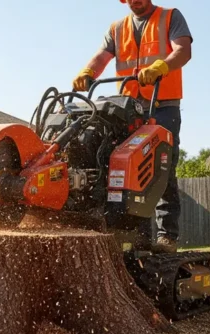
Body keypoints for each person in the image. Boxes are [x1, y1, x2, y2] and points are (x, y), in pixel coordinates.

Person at [72, 0, 193, 254]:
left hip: (162, 106)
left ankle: (166, 237)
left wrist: (161, 66)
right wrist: (88, 72)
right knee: (121, 170)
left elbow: (183, 50)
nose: (136, 1)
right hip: (127, 110)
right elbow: (101, 57)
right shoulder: (117, 28)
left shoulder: (170, 17)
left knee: (162, 169)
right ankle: (136, 237)